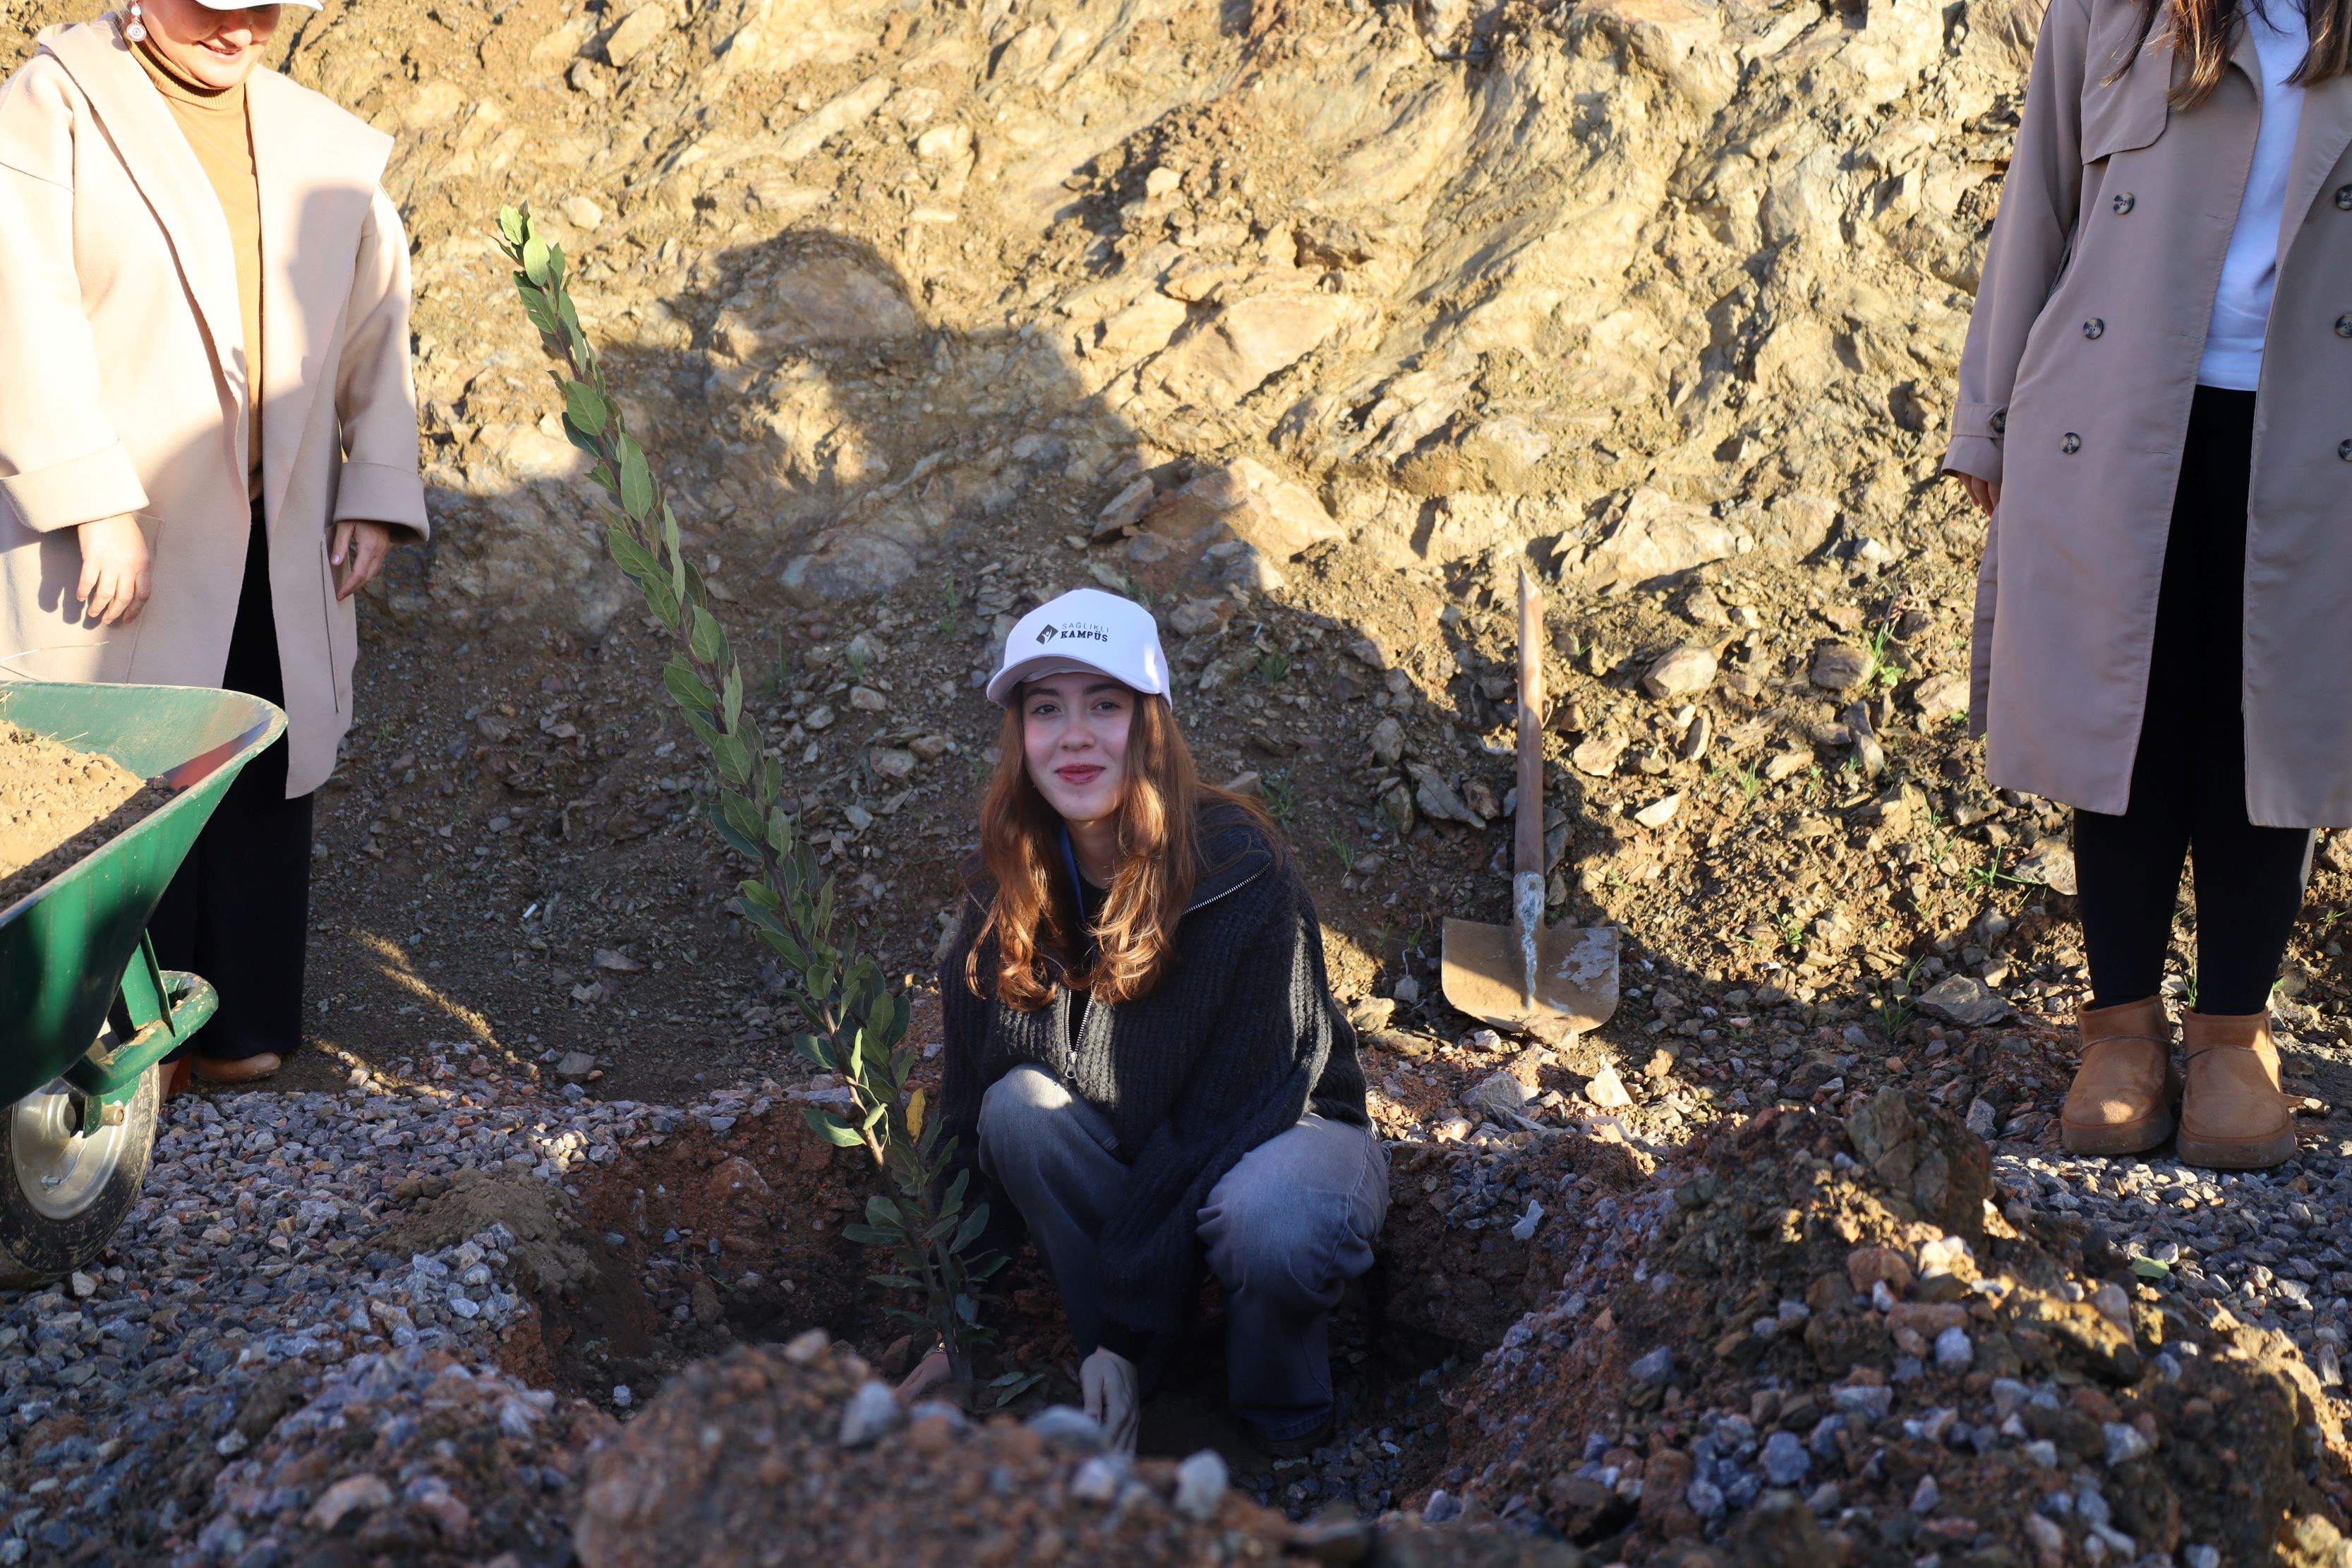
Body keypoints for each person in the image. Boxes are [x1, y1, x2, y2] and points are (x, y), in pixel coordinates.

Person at [1944, 0, 2351, 1167]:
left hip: (2312, 435)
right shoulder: (2109, 15)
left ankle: (2232, 1035)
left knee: (2260, 735)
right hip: (2113, 417)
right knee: (2122, 720)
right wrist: (1986, 427)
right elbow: (2038, 206)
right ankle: (2118, 1029)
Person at [0, 1, 428, 1084]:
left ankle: (242, 1037)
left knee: (263, 762)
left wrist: (372, 488)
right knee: (118, 781)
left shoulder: (316, 137)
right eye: (214, 9)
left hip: (277, 530)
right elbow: (21, 311)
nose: (239, 33)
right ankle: (115, 1056)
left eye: (264, 12)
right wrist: (91, 499)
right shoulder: (56, 104)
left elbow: (378, 319)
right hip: (112, 534)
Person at [900, 588, 1382, 1452]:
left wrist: (1119, 1326)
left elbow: (1221, 1123)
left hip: (1277, 1134)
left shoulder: (1242, 872)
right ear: (1020, 737)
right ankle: (1136, 1388)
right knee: (1020, 1109)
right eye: (1047, 708)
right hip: (1138, 1152)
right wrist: (953, 1328)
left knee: (1267, 1220)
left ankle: (1280, 1425)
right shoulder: (999, 891)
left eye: (1105, 705)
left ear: (1150, 723)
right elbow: (970, 1122)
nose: (1074, 735)